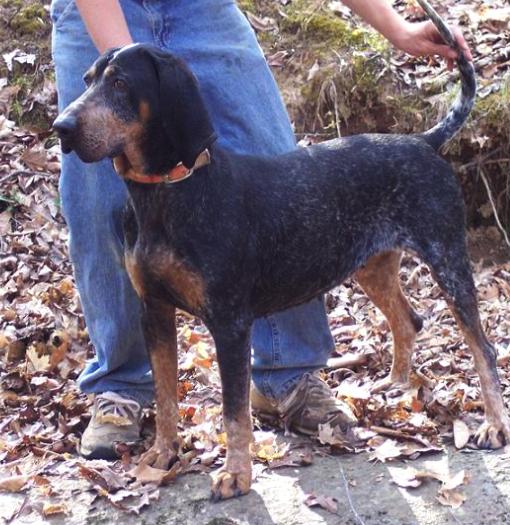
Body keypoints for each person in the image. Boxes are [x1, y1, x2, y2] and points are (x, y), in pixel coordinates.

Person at [50, 0, 472, 459]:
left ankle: (285, 374)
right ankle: (120, 387)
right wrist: (125, 80)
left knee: (279, 166)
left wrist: (395, 25)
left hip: (200, 8)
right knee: (99, 202)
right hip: (96, 10)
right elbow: (117, 91)